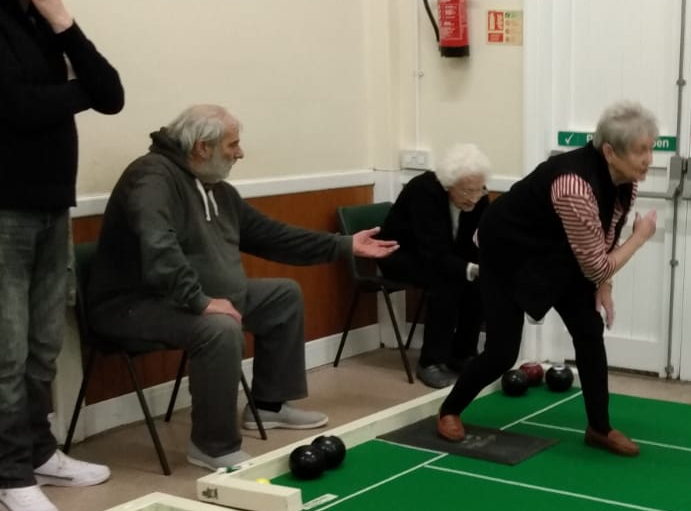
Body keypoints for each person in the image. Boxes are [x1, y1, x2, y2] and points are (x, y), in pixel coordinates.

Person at [87, 105, 397, 471]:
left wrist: (343, 245)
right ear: (202, 147)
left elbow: (271, 236)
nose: (240, 153)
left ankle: (268, 405)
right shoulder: (151, 177)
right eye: (233, 144)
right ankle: (212, 446)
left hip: (185, 298)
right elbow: (159, 247)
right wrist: (200, 301)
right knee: (218, 328)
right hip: (131, 306)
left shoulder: (216, 189)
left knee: (282, 295)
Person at [437, 102, 658, 455]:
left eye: (652, 148)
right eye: (640, 151)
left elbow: (607, 233)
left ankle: (599, 428)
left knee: (589, 330)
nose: (648, 159)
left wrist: (606, 285)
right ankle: (449, 410)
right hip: (508, 255)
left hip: (560, 253)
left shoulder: (624, 182)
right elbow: (598, 264)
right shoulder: (575, 185)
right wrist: (641, 237)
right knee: (501, 353)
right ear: (610, 152)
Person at [0, 0, 125, 511]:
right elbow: (16, 110)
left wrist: (61, 19)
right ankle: (10, 473)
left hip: (52, 203)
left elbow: (111, 95)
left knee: (43, 345)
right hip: (3, 210)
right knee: (5, 350)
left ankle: (40, 450)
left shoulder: (42, 18)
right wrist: (69, 94)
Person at [377, 144, 490, 389]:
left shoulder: (478, 198)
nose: (474, 197)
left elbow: (480, 241)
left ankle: (462, 354)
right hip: (400, 255)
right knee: (447, 280)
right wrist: (468, 269)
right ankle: (431, 361)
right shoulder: (424, 191)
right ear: (449, 185)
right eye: (467, 191)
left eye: (479, 190)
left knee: (479, 283)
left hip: (443, 256)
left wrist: (482, 268)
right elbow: (433, 253)